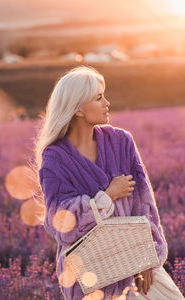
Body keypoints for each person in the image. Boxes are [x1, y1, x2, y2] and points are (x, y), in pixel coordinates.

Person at [34, 66, 184, 299]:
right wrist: (107, 196)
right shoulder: (54, 158)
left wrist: (148, 255)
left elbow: (145, 205)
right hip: (90, 275)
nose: (107, 103)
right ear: (78, 109)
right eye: (99, 98)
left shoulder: (121, 141)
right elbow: (59, 223)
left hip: (135, 264)